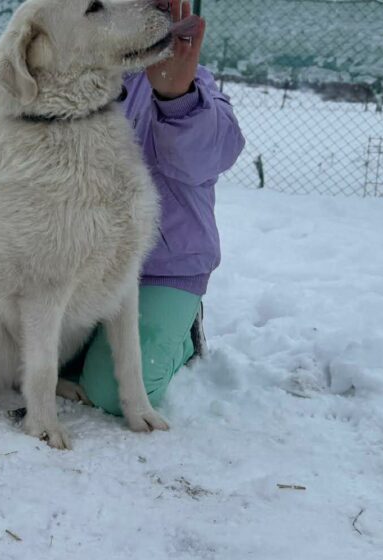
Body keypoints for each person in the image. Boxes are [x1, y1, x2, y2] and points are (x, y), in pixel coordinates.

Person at [67, 0, 246, 416]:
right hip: (88, 264)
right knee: (21, 357)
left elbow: (213, 154)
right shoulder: (79, 74)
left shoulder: (192, 81)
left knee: (115, 391)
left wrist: (176, 95)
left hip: (163, 267)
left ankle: (184, 336)